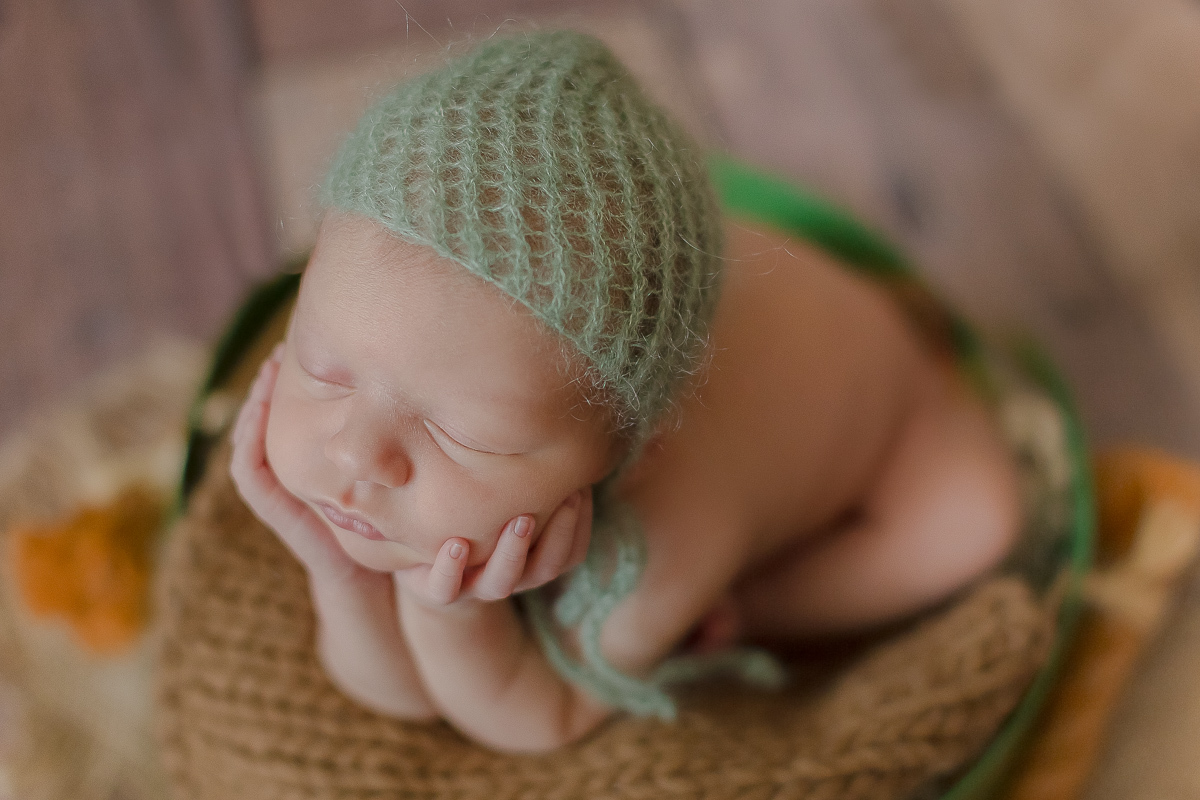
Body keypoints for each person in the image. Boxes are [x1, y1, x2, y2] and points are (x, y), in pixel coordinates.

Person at [229, 30, 1021, 754]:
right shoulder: (453, 390)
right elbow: (393, 697)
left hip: (893, 415)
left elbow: (542, 720)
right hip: (726, 300)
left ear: (633, 451)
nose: (356, 452)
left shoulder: (661, 547)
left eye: (468, 434)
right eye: (322, 366)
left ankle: (756, 605)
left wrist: (451, 610)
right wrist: (343, 572)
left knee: (978, 524)